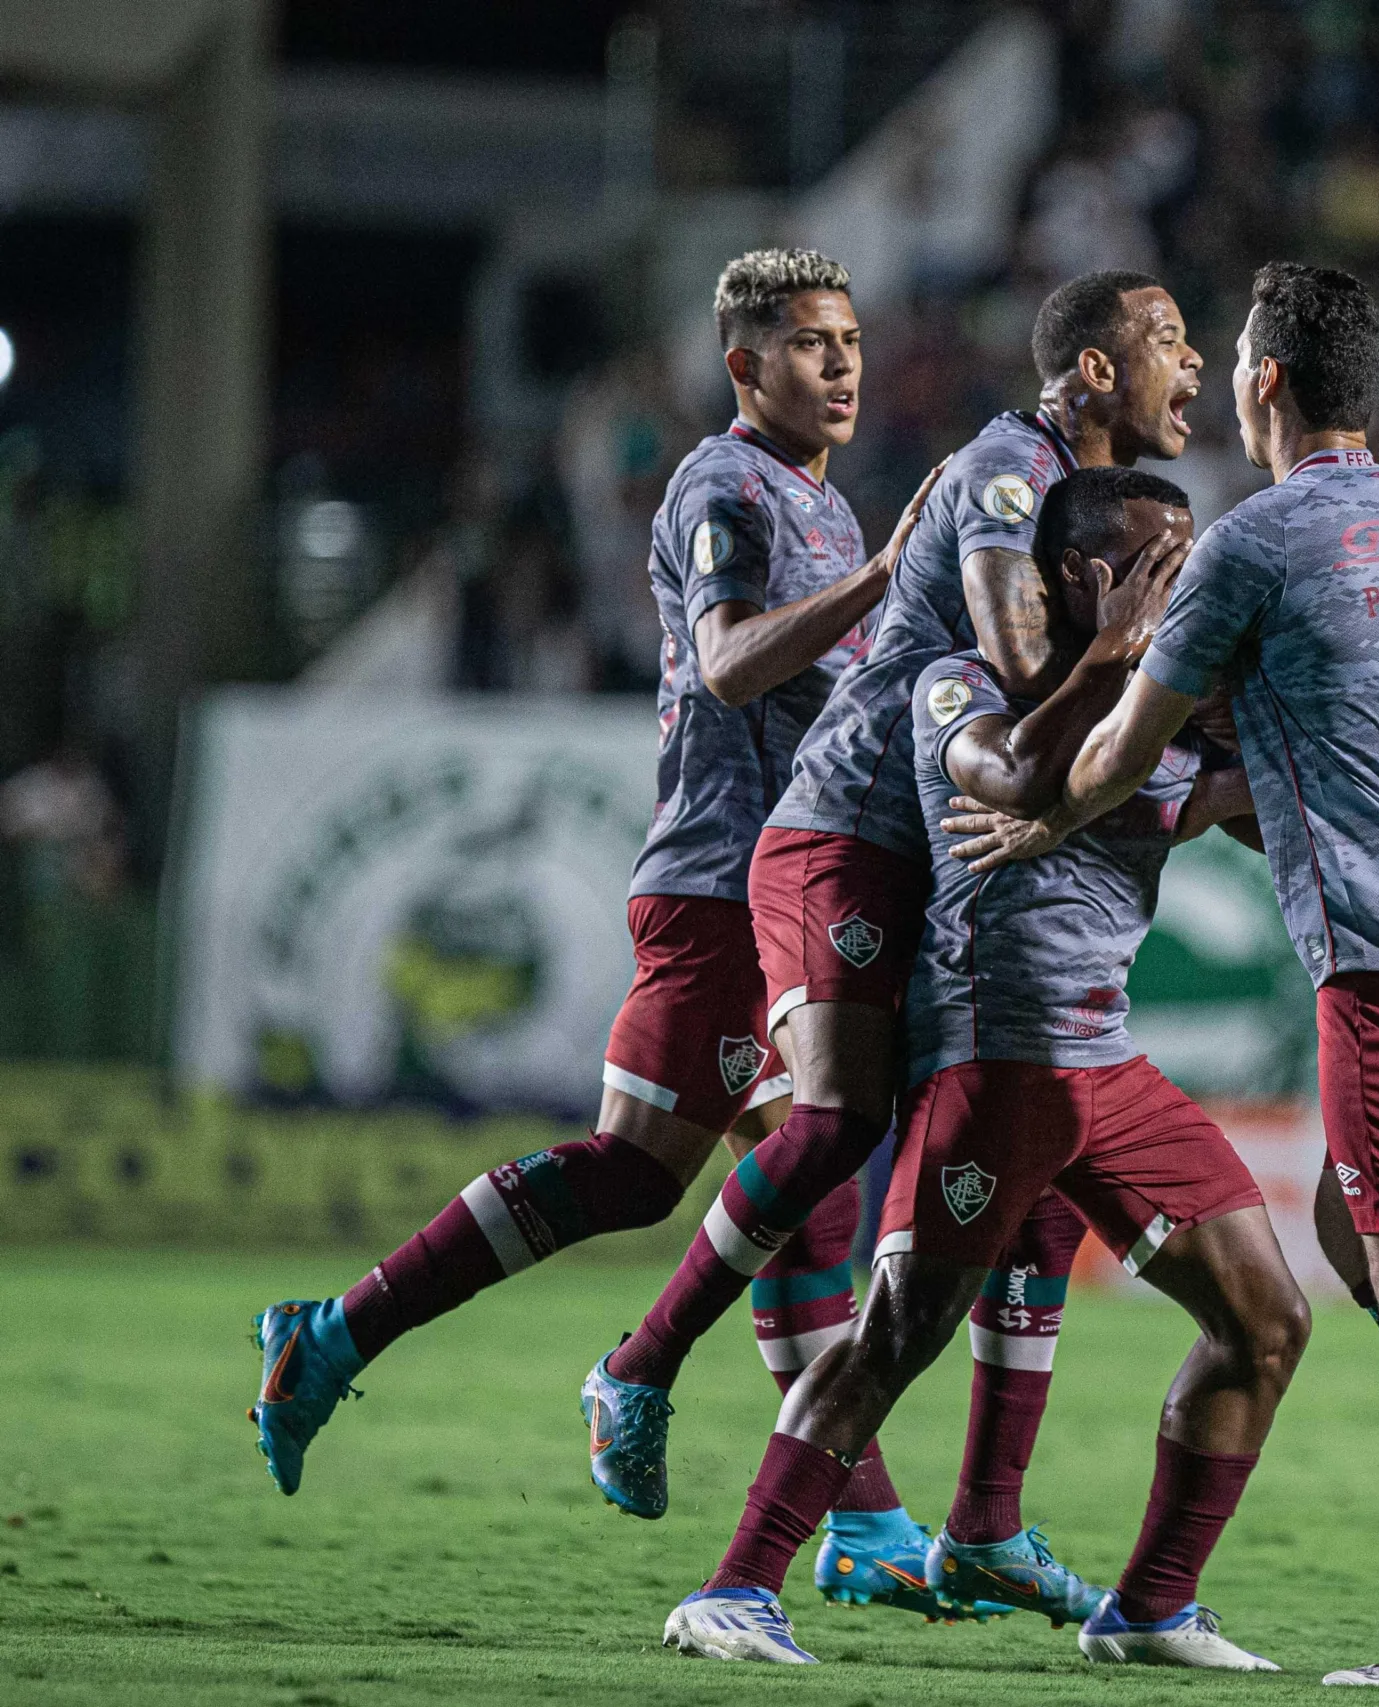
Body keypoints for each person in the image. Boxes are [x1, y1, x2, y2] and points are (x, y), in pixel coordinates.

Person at [249, 250, 945, 1615]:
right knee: (643, 1173)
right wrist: (883, 578)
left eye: (852, 340)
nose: (844, 365)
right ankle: (338, 1333)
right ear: (746, 367)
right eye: (810, 344)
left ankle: (860, 1522)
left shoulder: (822, 499)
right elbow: (737, 656)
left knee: (809, 1177)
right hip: (721, 878)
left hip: (799, 877)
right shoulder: (722, 485)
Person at [968, 262, 1379, 1692]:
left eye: (1229, 354)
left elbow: (1117, 750)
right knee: (1354, 1230)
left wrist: (1036, 812)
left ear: (1264, 382)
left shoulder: (1251, 542)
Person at [585, 271, 1206, 1623]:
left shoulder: (1090, 501)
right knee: (835, 1116)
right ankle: (642, 1362)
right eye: (1167, 342)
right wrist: (1167, 685)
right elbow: (1028, 674)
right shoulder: (1002, 472)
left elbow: (1088, 724)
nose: (1195, 364)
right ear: (1094, 373)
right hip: (855, 825)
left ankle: (983, 1523)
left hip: (947, 854)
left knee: (1026, 1161)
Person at [663, 468, 1307, 1672]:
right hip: (992, 1064)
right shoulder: (956, 679)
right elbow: (1011, 779)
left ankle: (1152, 1609)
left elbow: (1244, 803)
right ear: (1081, 576)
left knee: (1265, 1321)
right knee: (896, 1335)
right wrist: (1110, 664)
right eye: (1160, 558)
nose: (1186, 575)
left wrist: (1271, 712)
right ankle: (734, 1590)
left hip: (1104, 1066)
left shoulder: (1163, 696)